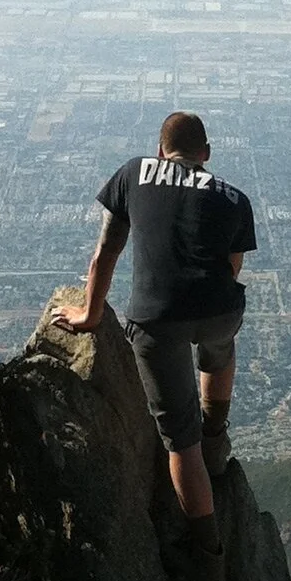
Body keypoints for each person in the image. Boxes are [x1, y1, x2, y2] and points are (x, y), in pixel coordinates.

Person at [53, 111, 256, 556]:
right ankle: (216, 434)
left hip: (156, 317)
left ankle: (206, 551)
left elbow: (105, 253)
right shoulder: (235, 199)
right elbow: (231, 269)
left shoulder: (133, 172)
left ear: (161, 150)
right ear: (205, 155)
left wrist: (90, 313)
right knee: (221, 345)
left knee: (179, 442)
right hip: (219, 311)